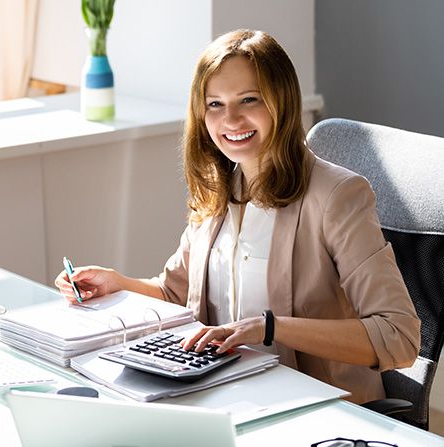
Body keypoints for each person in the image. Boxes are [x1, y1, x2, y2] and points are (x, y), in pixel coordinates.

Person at [54, 29, 420, 404]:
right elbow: (176, 294)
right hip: (224, 393)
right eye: (214, 104)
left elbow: (398, 336)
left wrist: (268, 328)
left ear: (282, 101)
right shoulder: (217, 188)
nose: (230, 119)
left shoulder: (336, 196)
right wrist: (118, 283)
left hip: (313, 408)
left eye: (249, 100)